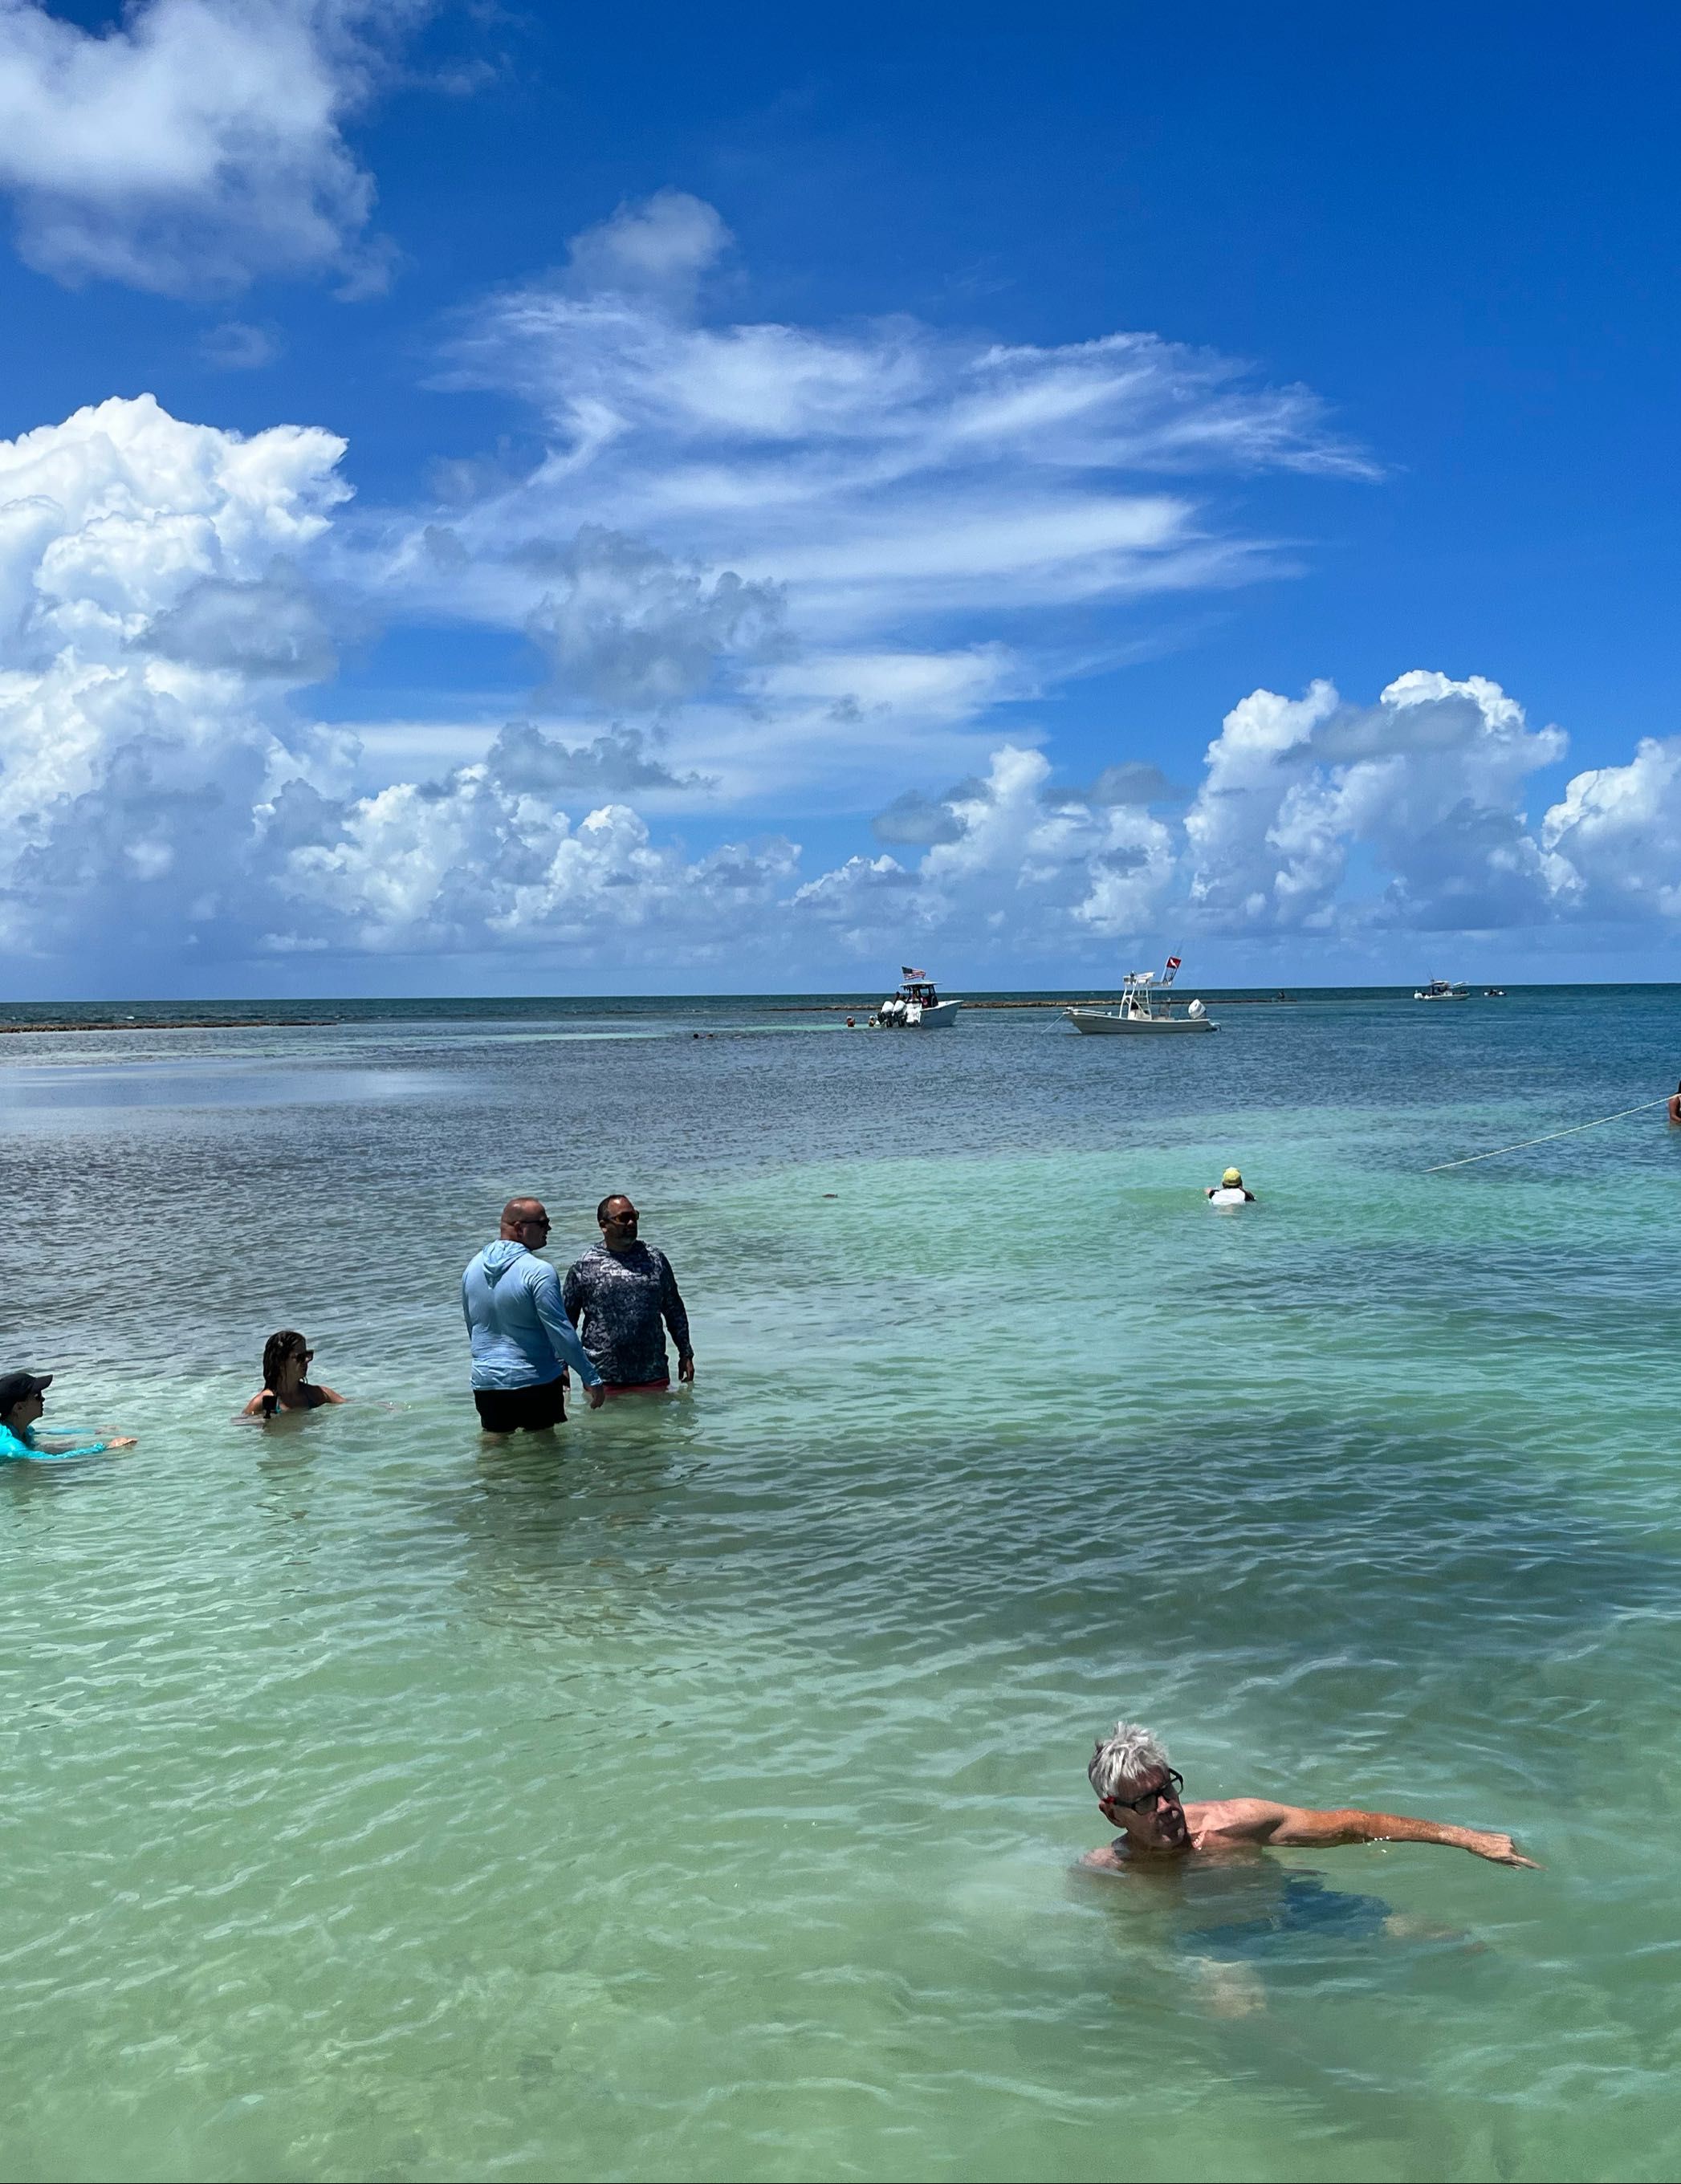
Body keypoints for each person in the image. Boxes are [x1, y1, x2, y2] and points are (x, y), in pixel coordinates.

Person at [1082, 1721, 1537, 1872]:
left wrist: (1468, 1838)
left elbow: (1357, 1825)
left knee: (1452, 1941)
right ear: (1113, 1814)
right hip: (1210, 1945)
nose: (1166, 1809)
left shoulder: (1238, 1821)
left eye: (1166, 1790)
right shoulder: (1108, 1869)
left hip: (1290, 1908)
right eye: (1145, 1802)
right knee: (1236, 2006)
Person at [462, 1197, 604, 1434]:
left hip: (487, 1382)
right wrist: (590, 1376)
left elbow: (473, 1328)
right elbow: (560, 1331)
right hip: (535, 1380)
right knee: (545, 1457)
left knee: (494, 1450)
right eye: (543, 1223)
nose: (549, 1228)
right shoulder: (539, 1271)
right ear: (520, 1228)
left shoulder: (472, 1267)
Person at [564, 1194, 694, 1396]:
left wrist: (686, 1352)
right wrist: (561, 1365)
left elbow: (674, 1308)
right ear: (603, 1225)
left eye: (634, 1216)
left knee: (658, 1428)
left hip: (653, 1373)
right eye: (623, 1218)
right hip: (603, 1378)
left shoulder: (655, 1259)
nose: (631, 1223)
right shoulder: (584, 1265)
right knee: (606, 1428)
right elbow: (566, 1320)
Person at [0, 1370, 136, 1460]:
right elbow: (52, 1461)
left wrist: (95, 1431)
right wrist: (106, 1447)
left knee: (61, 1445)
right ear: (19, 1407)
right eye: (37, 1396)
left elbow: (50, 1431)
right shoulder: (13, 1446)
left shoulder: (22, 1429)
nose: (43, 1399)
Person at [242, 1332, 345, 1418]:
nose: (307, 1360)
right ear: (280, 1362)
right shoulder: (267, 1401)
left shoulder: (318, 1394)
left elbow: (353, 1408)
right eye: (300, 1357)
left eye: (307, 1355)